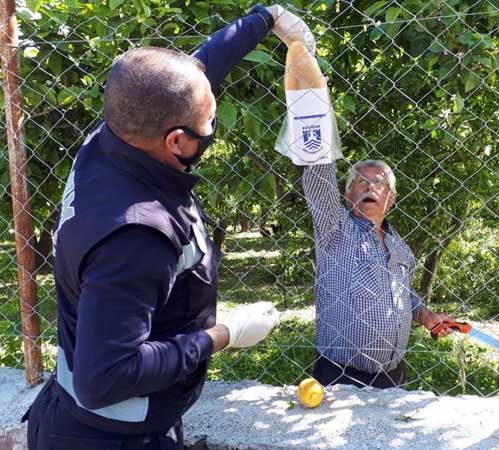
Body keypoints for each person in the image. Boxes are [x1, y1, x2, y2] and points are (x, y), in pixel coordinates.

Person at [24, 4, 314, 450]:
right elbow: (103, 379)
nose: (214, 126)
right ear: (177, 141)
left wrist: (264, 18)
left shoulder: (110, 140)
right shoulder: (138, 236)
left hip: (106, 422)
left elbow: (184, 81)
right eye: (209, 123)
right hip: (113, 436)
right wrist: (224, 336)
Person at [302, 160, 456, 389]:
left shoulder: (399, 247)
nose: (369, 187)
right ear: (347, 194)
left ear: (391, 199)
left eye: (379, 183)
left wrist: (426, 316)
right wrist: (317, 143)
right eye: (361, 181)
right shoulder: (335, 230)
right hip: (340, 377)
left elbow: (402, 293)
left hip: (393, 377)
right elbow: (319, 187)